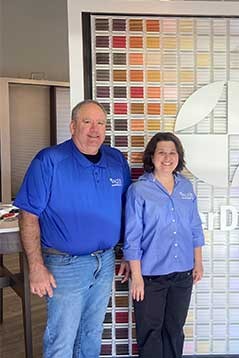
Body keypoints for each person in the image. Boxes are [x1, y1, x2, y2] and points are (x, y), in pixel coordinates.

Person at [14, 99, 131, 358]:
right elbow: (28, 215)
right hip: (64, 265)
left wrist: (125, 252)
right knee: (61, 339)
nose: (94, 129)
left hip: (105, 261)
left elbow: (124, 211)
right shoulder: (50, 161)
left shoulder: (115, 160)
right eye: (87, 122)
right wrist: (35, 267)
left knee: (91, 332)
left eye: (100, 123)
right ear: (73, 126)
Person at [123, 132, 204, 358]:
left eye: (172, 152)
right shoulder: (138, 190)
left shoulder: (186, 187)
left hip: (182, 275)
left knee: (174, 332)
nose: (167, 158)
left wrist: (198, 263)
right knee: (150, 333)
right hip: (150, 277)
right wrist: (136, 277)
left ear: (178, 157)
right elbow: (132, 237)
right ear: (152, 156)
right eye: (161, 152)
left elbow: (195, 227)